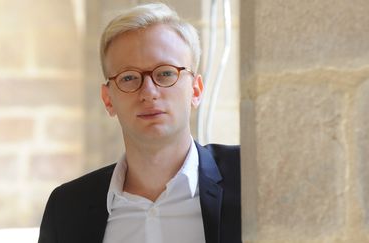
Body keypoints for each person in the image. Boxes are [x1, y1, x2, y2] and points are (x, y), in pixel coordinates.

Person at [38, 3, 241, 243]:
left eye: (166, 73)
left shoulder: (247, 176)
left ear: (196, 90)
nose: (149, 92)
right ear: (108, 99)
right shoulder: (67, 209)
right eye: (129, 77)